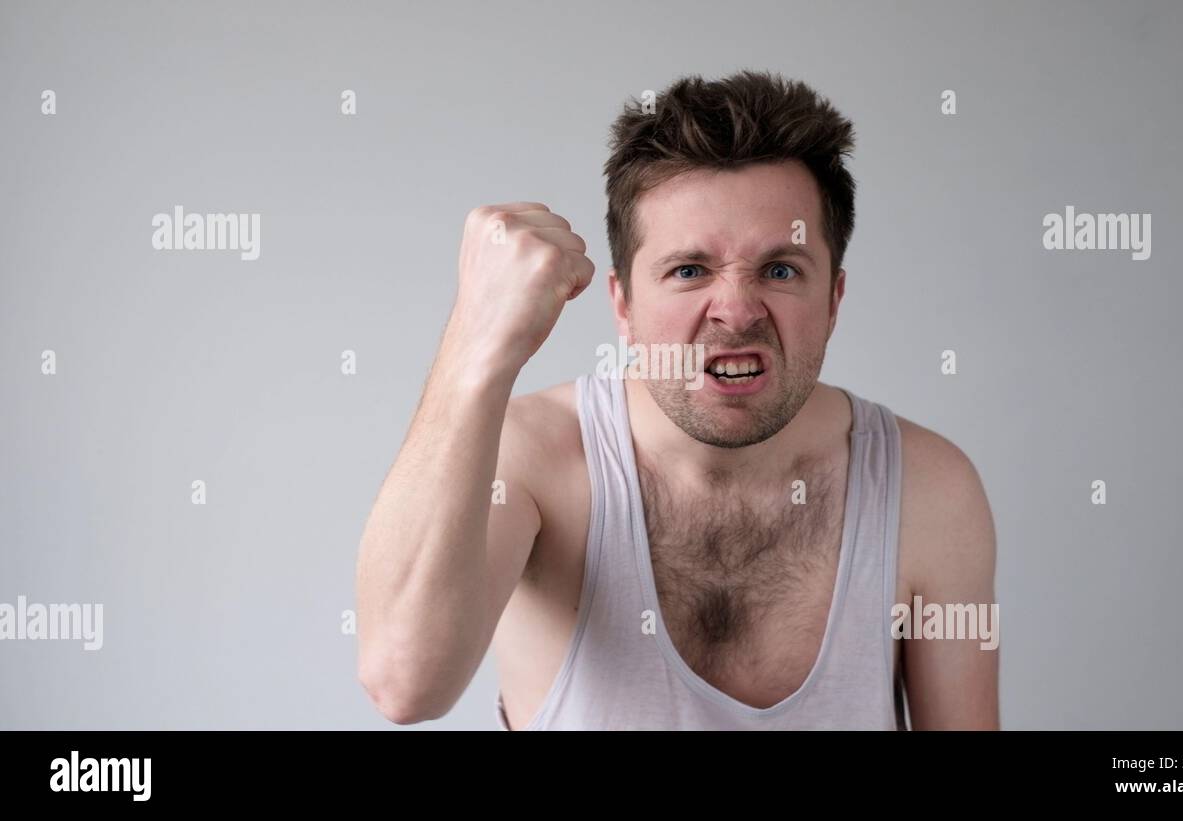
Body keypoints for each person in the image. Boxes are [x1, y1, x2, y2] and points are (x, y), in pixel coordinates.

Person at [356, 70, 999, 730]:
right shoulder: (535, 461)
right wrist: (474, 341)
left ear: (833, 300)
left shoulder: (928, 489)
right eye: (689, 270)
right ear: (623, 305)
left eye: (780, 269)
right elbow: (405, 682)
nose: (737, 310)